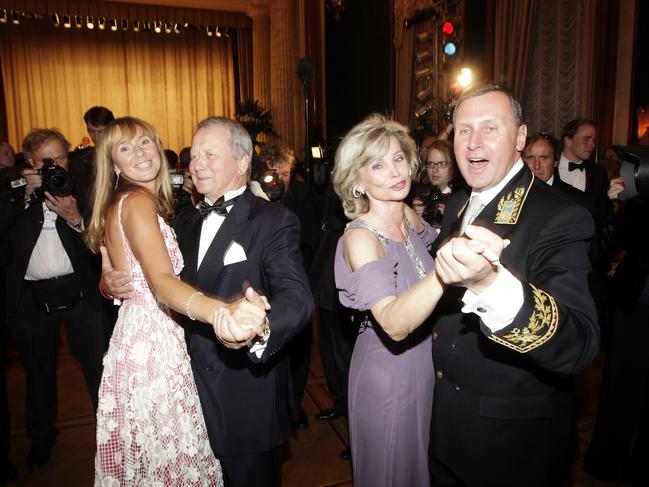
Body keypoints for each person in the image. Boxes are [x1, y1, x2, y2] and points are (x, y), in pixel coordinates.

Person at [103, 116, 313, 487]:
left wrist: (257, 328)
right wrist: (112, 283)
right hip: (176, 390)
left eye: (210, 155)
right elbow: (152, 277)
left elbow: (297, 298)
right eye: (194, 154)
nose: (197, 163)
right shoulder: (179, 220)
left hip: (241, 391)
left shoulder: (273, 220)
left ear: (242, 162)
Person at [426, 84, 600, 486]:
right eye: (463, 130)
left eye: (490, 128)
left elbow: (579, 346)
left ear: (521, 137)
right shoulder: (458, 203)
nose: (473, 143)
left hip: (511, 445)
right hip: (448, 428)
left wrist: (491, 283)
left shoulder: (559, 215)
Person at [332, 114, 506, 487]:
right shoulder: (361, 239)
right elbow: (394, 324)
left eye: (398, 158)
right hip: (386, 373)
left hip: (424, 364)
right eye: (377, 165)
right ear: (357, 181)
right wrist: (448, 270)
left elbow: (433, 246)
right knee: (390, 471)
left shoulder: (408, 216)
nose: (395, 172)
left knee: (417, 467)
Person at [3, 129, 109, 471]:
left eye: (61, 157)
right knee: (38, 373)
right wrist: (22, 196)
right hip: (32, 300)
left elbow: (102, 242)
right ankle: (41, 439)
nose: (56, 166)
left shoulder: (80, 188)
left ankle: (109, 439)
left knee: (99, 371)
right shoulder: (12, 190)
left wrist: (76, 218)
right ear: (31, 163)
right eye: (48, 160)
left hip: (82, 295)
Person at [259, 143, 321, 430]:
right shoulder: (256, 198)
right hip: (263, 286)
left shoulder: (305, 195)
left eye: (285, 174)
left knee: (298, 349)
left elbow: (309, 240)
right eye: (275, 174)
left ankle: (294, 405)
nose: (280, 180)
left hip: (297, 280)